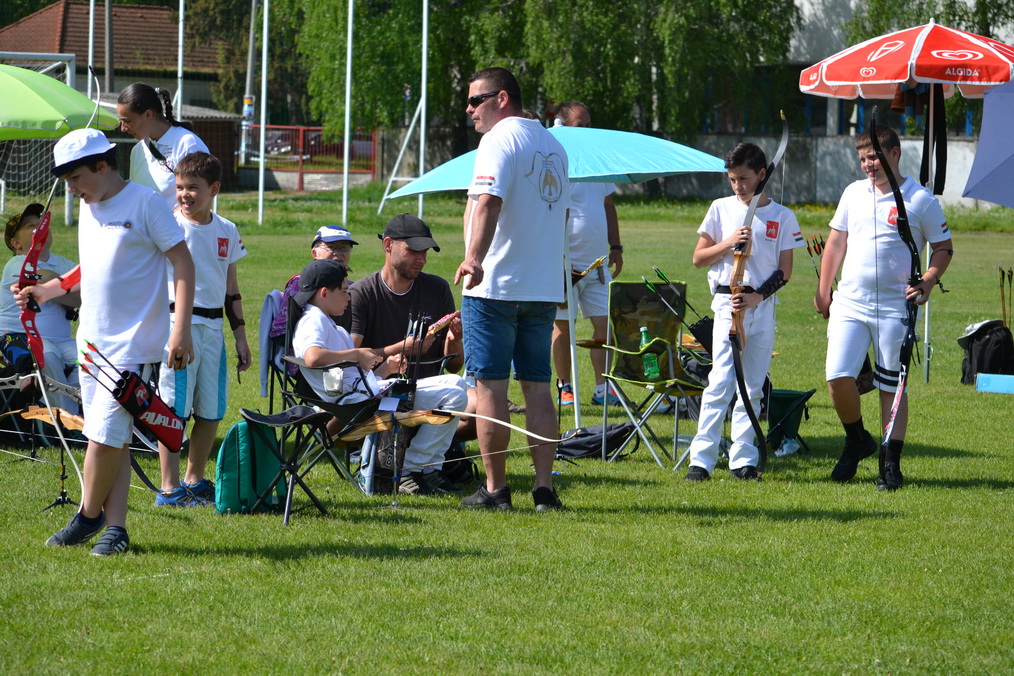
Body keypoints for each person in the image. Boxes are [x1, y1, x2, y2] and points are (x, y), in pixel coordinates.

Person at [19, 128, 194, 555]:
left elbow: (183, 261)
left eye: (75, 178)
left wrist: (181, 329)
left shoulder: (146, 203)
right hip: (91, 343)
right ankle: (116, 529)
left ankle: (88, 516)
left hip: (132, 347)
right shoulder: (89, 205)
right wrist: (48, 290)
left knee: (102, 435)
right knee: (114, 438)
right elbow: (91, 264)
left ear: (102, 166)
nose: (71, 189)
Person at [453, 66, 569, 511]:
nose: (469, 110)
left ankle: (496, 489)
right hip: (541, 288)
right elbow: (559, 214)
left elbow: (489, 201)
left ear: (502, 98)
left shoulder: (498, 140)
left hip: (495, 287)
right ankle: (544, 490)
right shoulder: (555, 145)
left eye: (475, 101)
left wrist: (474, 258)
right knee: (538, 388)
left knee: (490, 390)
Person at [814, 125, 953, 491]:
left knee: (891, 386)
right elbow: (836, 244)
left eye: (874, 157)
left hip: (895, 306)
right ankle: (857, 438)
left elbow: (943, 247)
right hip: (850, 301)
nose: (868, 165)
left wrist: (928, 281)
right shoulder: (852, 193)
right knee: (837, 377)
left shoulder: (920, 199)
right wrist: (823, 289)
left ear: (895, 153)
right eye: (862, 158)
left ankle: (890, 463)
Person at [292, 259, 467, 495]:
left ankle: (428, 468)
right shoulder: (313, 320)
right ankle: (413, 468)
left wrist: (385, 369)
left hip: (366, 395)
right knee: (455, 395)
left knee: (456, 382)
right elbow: (313, 357)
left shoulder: (324, 321)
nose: (348, 297)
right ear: (324, 293)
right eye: (343, 291)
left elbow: (348, 379)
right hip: (362, 404)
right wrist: (357, 354)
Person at [684, 143, 803, 482]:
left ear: (762, 174)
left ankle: (743, 460)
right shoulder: (720, 208)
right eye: (733, 179)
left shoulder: (782, 216)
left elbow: (785, 271)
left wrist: (757, 297)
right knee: (720, 381)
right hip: (727, 305)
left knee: (752, 387)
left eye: (744, 178)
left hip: (761, 307)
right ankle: (701, 461)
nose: (738, 186)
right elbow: (699, 258)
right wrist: (729, 243)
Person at [155, 152, 250, 506]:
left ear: (214, 189)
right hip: (178, 326)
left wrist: (240, 337)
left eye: (193, 187)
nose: (184, 194)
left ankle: (194, 480)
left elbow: (231, 289)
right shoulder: (168, 225)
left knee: (211, 410)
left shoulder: (227, 230)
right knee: (174, 409)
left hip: (213, 330)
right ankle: (169, 487)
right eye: (180, 187)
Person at [349, 213, 476, 479]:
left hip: (429, 390)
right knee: (456, 391)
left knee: (481, 410)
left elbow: (453, 366)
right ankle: (417, 467)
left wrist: (454, 341)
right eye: (413, 251)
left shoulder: (437, 289)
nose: (422, 259)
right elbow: (350, 359)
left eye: (425, 252)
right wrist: (401, 348)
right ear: (388, 245)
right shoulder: (363, 293)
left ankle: (415, 461)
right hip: (382, 392)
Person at [551, 101, 623, 407]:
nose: (587, 130)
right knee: (562, 327)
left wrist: (616, 247)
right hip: (564, 264)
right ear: (562, 127)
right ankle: (564, 386)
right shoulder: (554, 160)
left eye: (589, 124)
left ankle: (602, 388)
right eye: (580, 125)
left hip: (598, 265)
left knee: (604, 327)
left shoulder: (597, 161)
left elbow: (608, 205)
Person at [2, 204, 81, 410]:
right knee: (47, 356)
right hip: (22, 338)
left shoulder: (65, 263)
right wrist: (65, 290)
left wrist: (59, 290)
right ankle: (57, 418)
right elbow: (43, 278)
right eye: (31, 226)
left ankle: (67, 413)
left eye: (42, 224)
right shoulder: (16, 263)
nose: (40, 229)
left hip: (61, 340)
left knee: (90, 359)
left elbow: (83, 299)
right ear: (16, 243)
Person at [116, 83, 209, 211]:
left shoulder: (188, 144)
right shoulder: (137, 151)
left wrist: (163, 221)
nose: (123, 128)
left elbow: (201, 200)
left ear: (148, 115)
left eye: (127, 121)